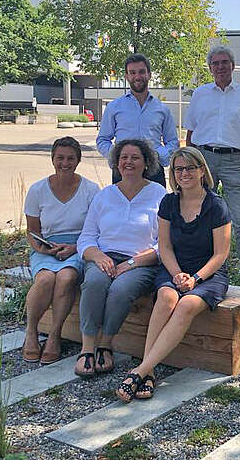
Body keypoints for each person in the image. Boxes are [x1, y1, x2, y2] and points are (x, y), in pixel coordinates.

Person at [116, 146, 231, 402]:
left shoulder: (216, 206)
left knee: (186, 305)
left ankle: (140, 371)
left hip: (208, 274)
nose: (184, 173)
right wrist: (178, 274)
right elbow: (164, 247)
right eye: (179, 169)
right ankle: (149, 371)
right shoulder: (168, 202)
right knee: (167, 298)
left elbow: (220, 254)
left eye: (190, 168)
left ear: (202, 170)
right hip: (174, 267)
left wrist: (196, 278)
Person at [74, 139, 166, 377]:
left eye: (135, 157)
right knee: (94, 283)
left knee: (121, 289)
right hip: (103, 256)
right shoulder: (105, 196)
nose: (128, 162)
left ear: (146, 163)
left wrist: (133, 263)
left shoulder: (159, 195)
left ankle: (105, 344)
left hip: (141, 261)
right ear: (116, 162)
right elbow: (86, 237)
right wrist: (97, 255)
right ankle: (87, 348)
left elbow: (163, 245)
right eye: (124, 157)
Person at [184, 45, 240, 273]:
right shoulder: (200, 94)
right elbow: (190, 132)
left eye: (224, 62)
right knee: (199, 215)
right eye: (215, 63)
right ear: (210, 68)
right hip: (203, 159)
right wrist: (189, 167)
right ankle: (202, 267)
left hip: (234, 160)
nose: (220, 67)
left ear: (233, 66)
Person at [22, 137, 100, 364]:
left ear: (78, 161)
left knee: (66, 277)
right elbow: (32, 231)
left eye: (70, 159)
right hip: (47, 247)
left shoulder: (91, 190)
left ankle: (55, 335)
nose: (65, 163)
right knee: (45, 279)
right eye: (60, 158)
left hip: (79, 245)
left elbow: (97, 230)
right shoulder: (37, 190)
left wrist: (75, 247)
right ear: (52, 159)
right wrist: (42, 248)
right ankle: (31, 332)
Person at [96, 53, 179, 186]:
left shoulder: (162, 109)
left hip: (153, 171)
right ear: (126, 76)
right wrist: (117, 157)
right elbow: (102, 140)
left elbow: (173, 142)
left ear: (149, 74)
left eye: (141, 72)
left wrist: (157, 155)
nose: (137, 77)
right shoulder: (114, 107)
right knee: (122, 206)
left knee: (156, 207)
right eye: (132, 72)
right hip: (123, 171)